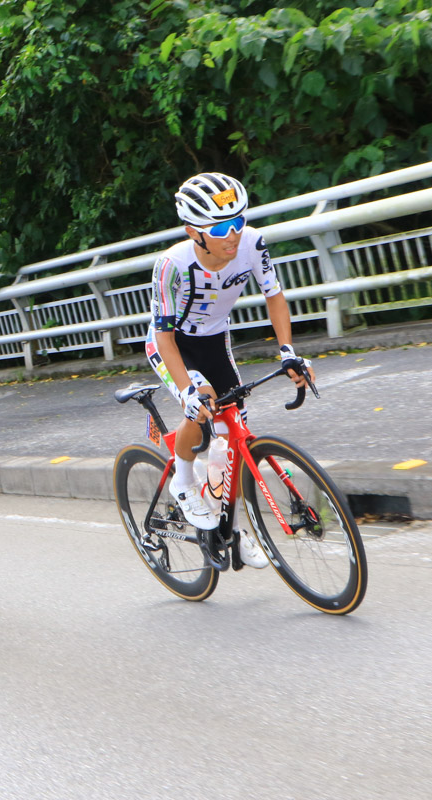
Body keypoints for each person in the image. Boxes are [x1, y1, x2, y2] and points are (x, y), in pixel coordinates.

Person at [147, 172, 314, 569]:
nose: (234, 234)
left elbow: (274, 297)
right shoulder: (172, 265)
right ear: (194, 232)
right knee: (203, 404)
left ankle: (230, 533)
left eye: (239, 221)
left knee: (232, 437)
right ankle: (184, 480)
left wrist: (288, 352)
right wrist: (188, 392)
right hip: (172, 345)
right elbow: (163, 336)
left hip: (215, 341)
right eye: (221, 227)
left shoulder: (253, 243)